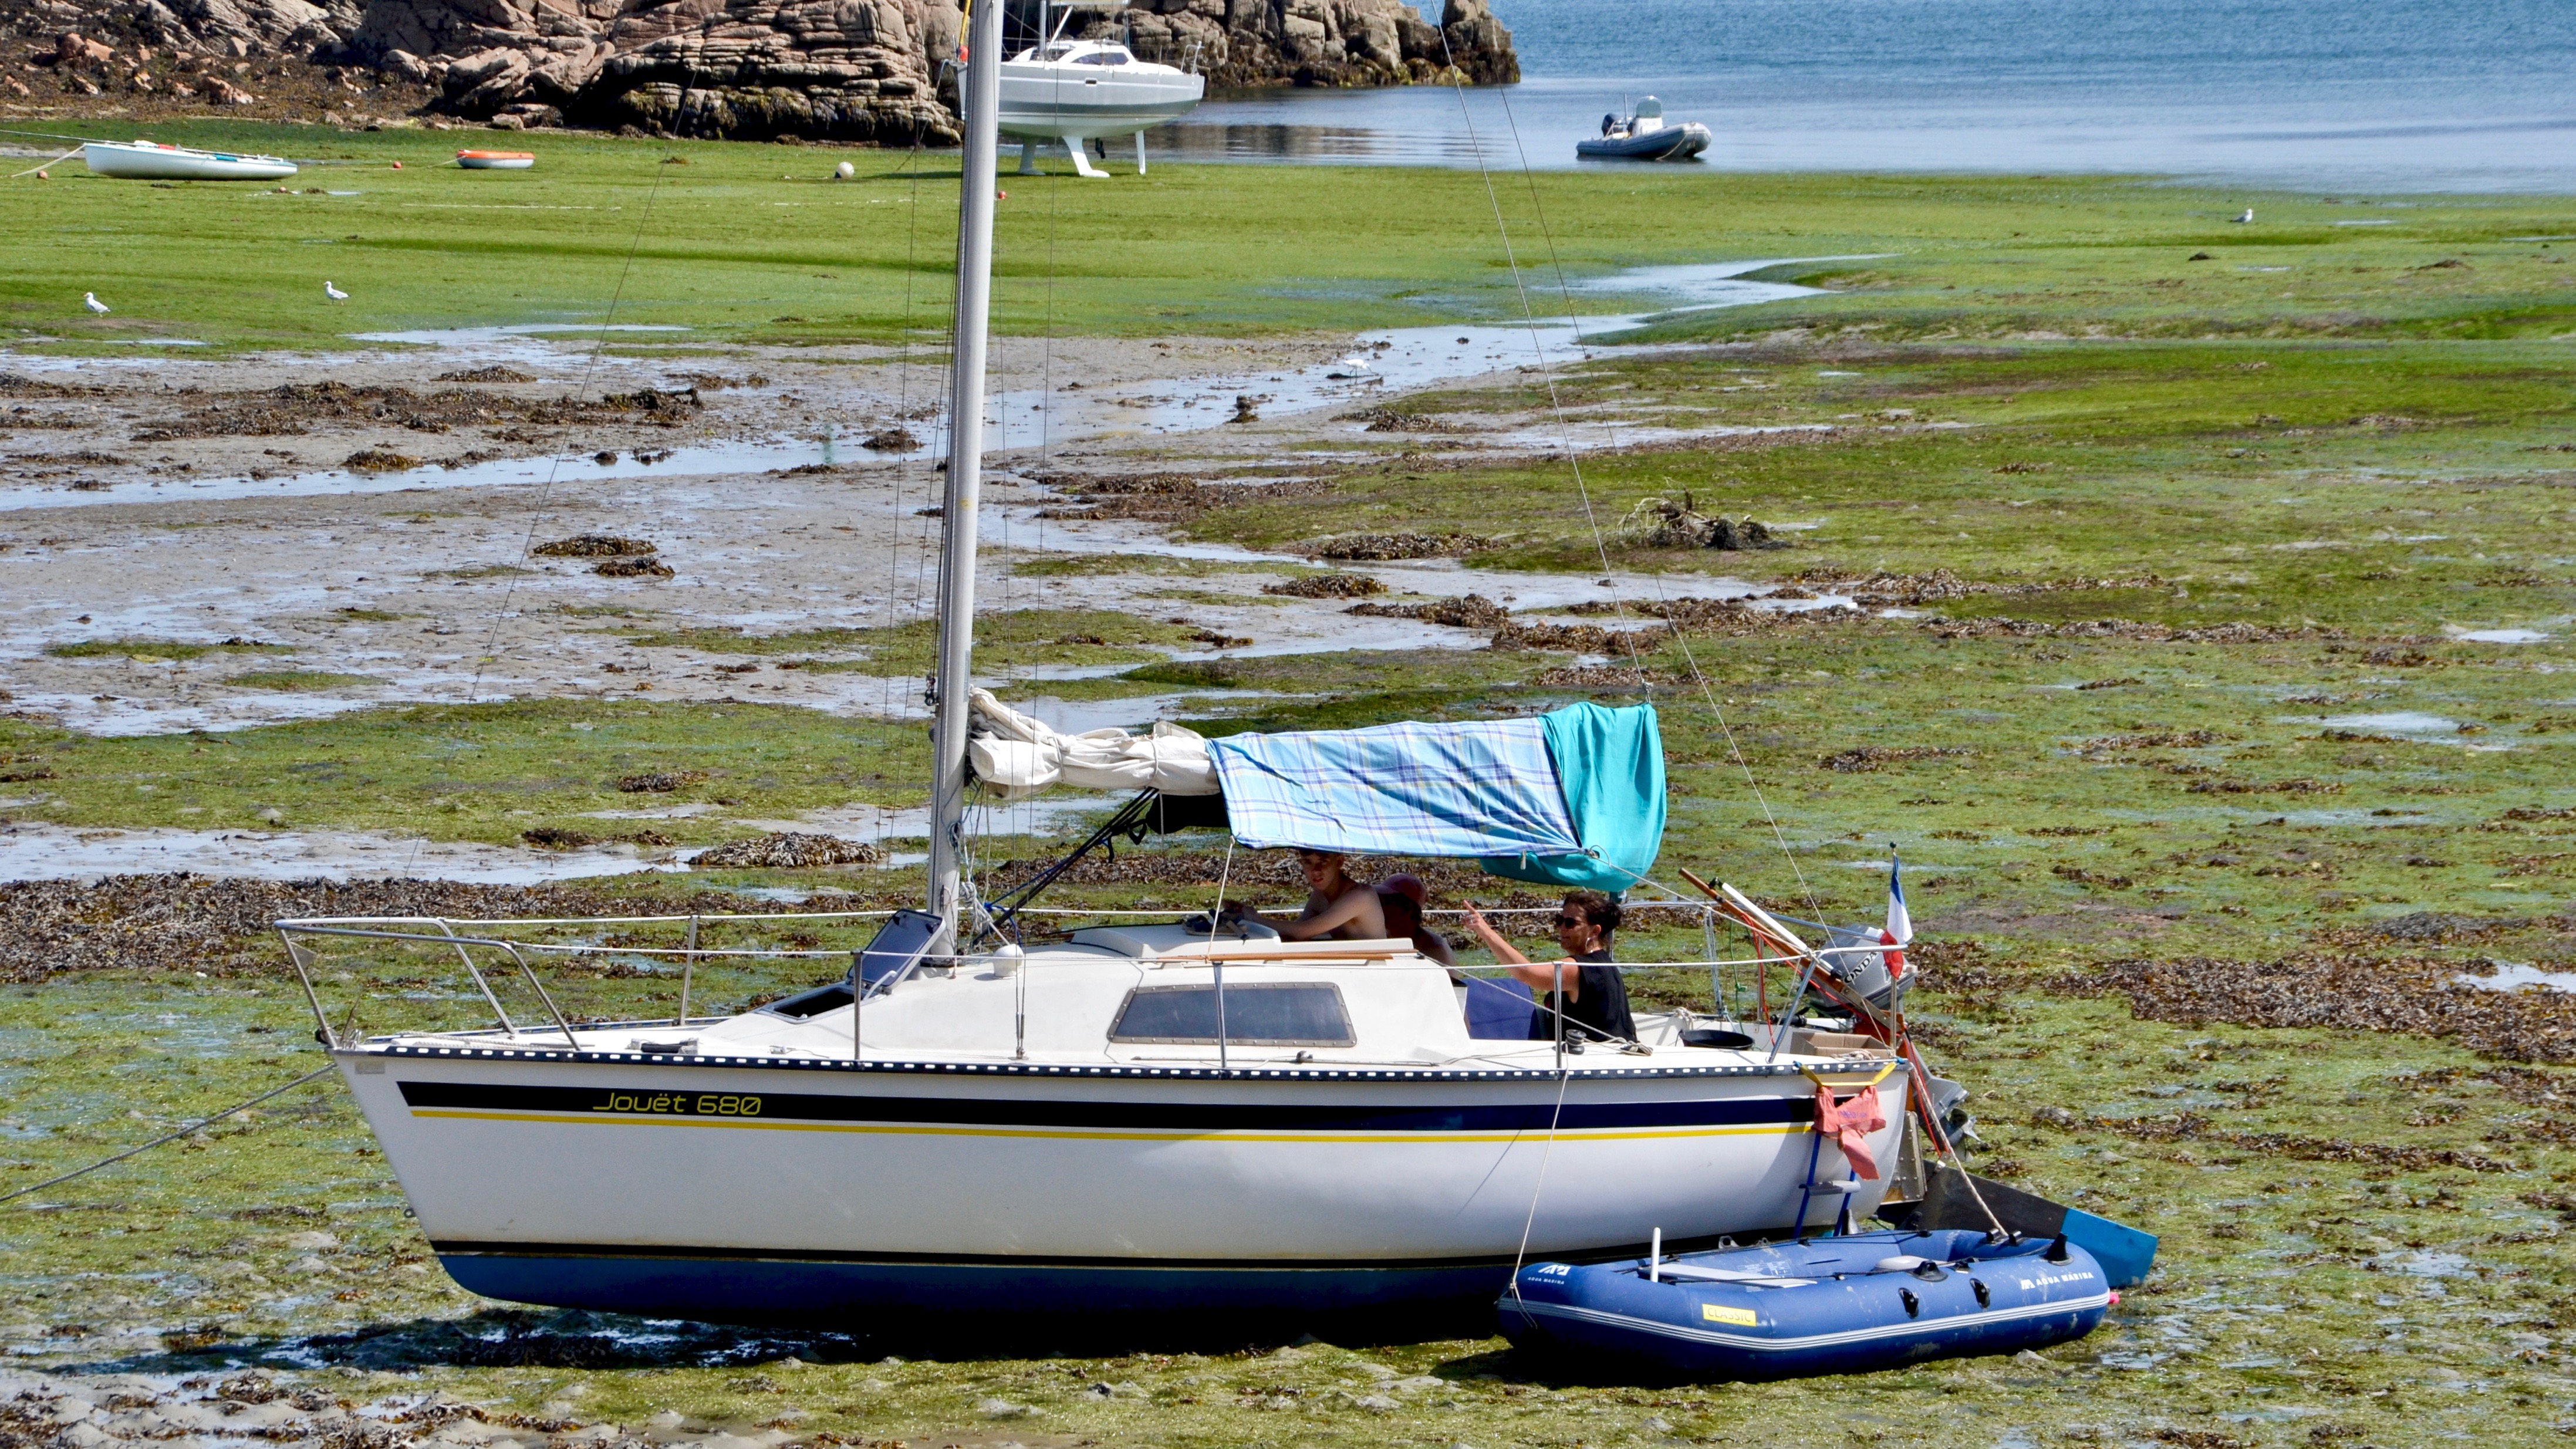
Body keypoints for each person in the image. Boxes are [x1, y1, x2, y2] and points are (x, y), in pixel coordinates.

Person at [1461, 890, 1635, 1045]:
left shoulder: (1576, 968)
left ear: (1595, 931)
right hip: (1613, 1054)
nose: (1561, 928)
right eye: (1560, 920)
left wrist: (1485, 931)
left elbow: (1526, 973)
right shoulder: (1603, 962)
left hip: (1596, 1062)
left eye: (1570, 923)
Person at [1221, 848, 1387, 942]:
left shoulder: (1361, 896)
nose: (1315, 871)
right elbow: (1295, 933)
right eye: (1308, 863)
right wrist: (1244, 915)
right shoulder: (1320, 895)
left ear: (1339, 862)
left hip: (1375, 972)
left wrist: (1255, 918)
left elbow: (1303, 931)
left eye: (1323, 862)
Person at [1376, 873, 1455, 967]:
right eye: (1378, 899)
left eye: (1386, 901)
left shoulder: (1435, 947)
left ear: (1406, 909)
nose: (1378, 905)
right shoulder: (1381, 936)